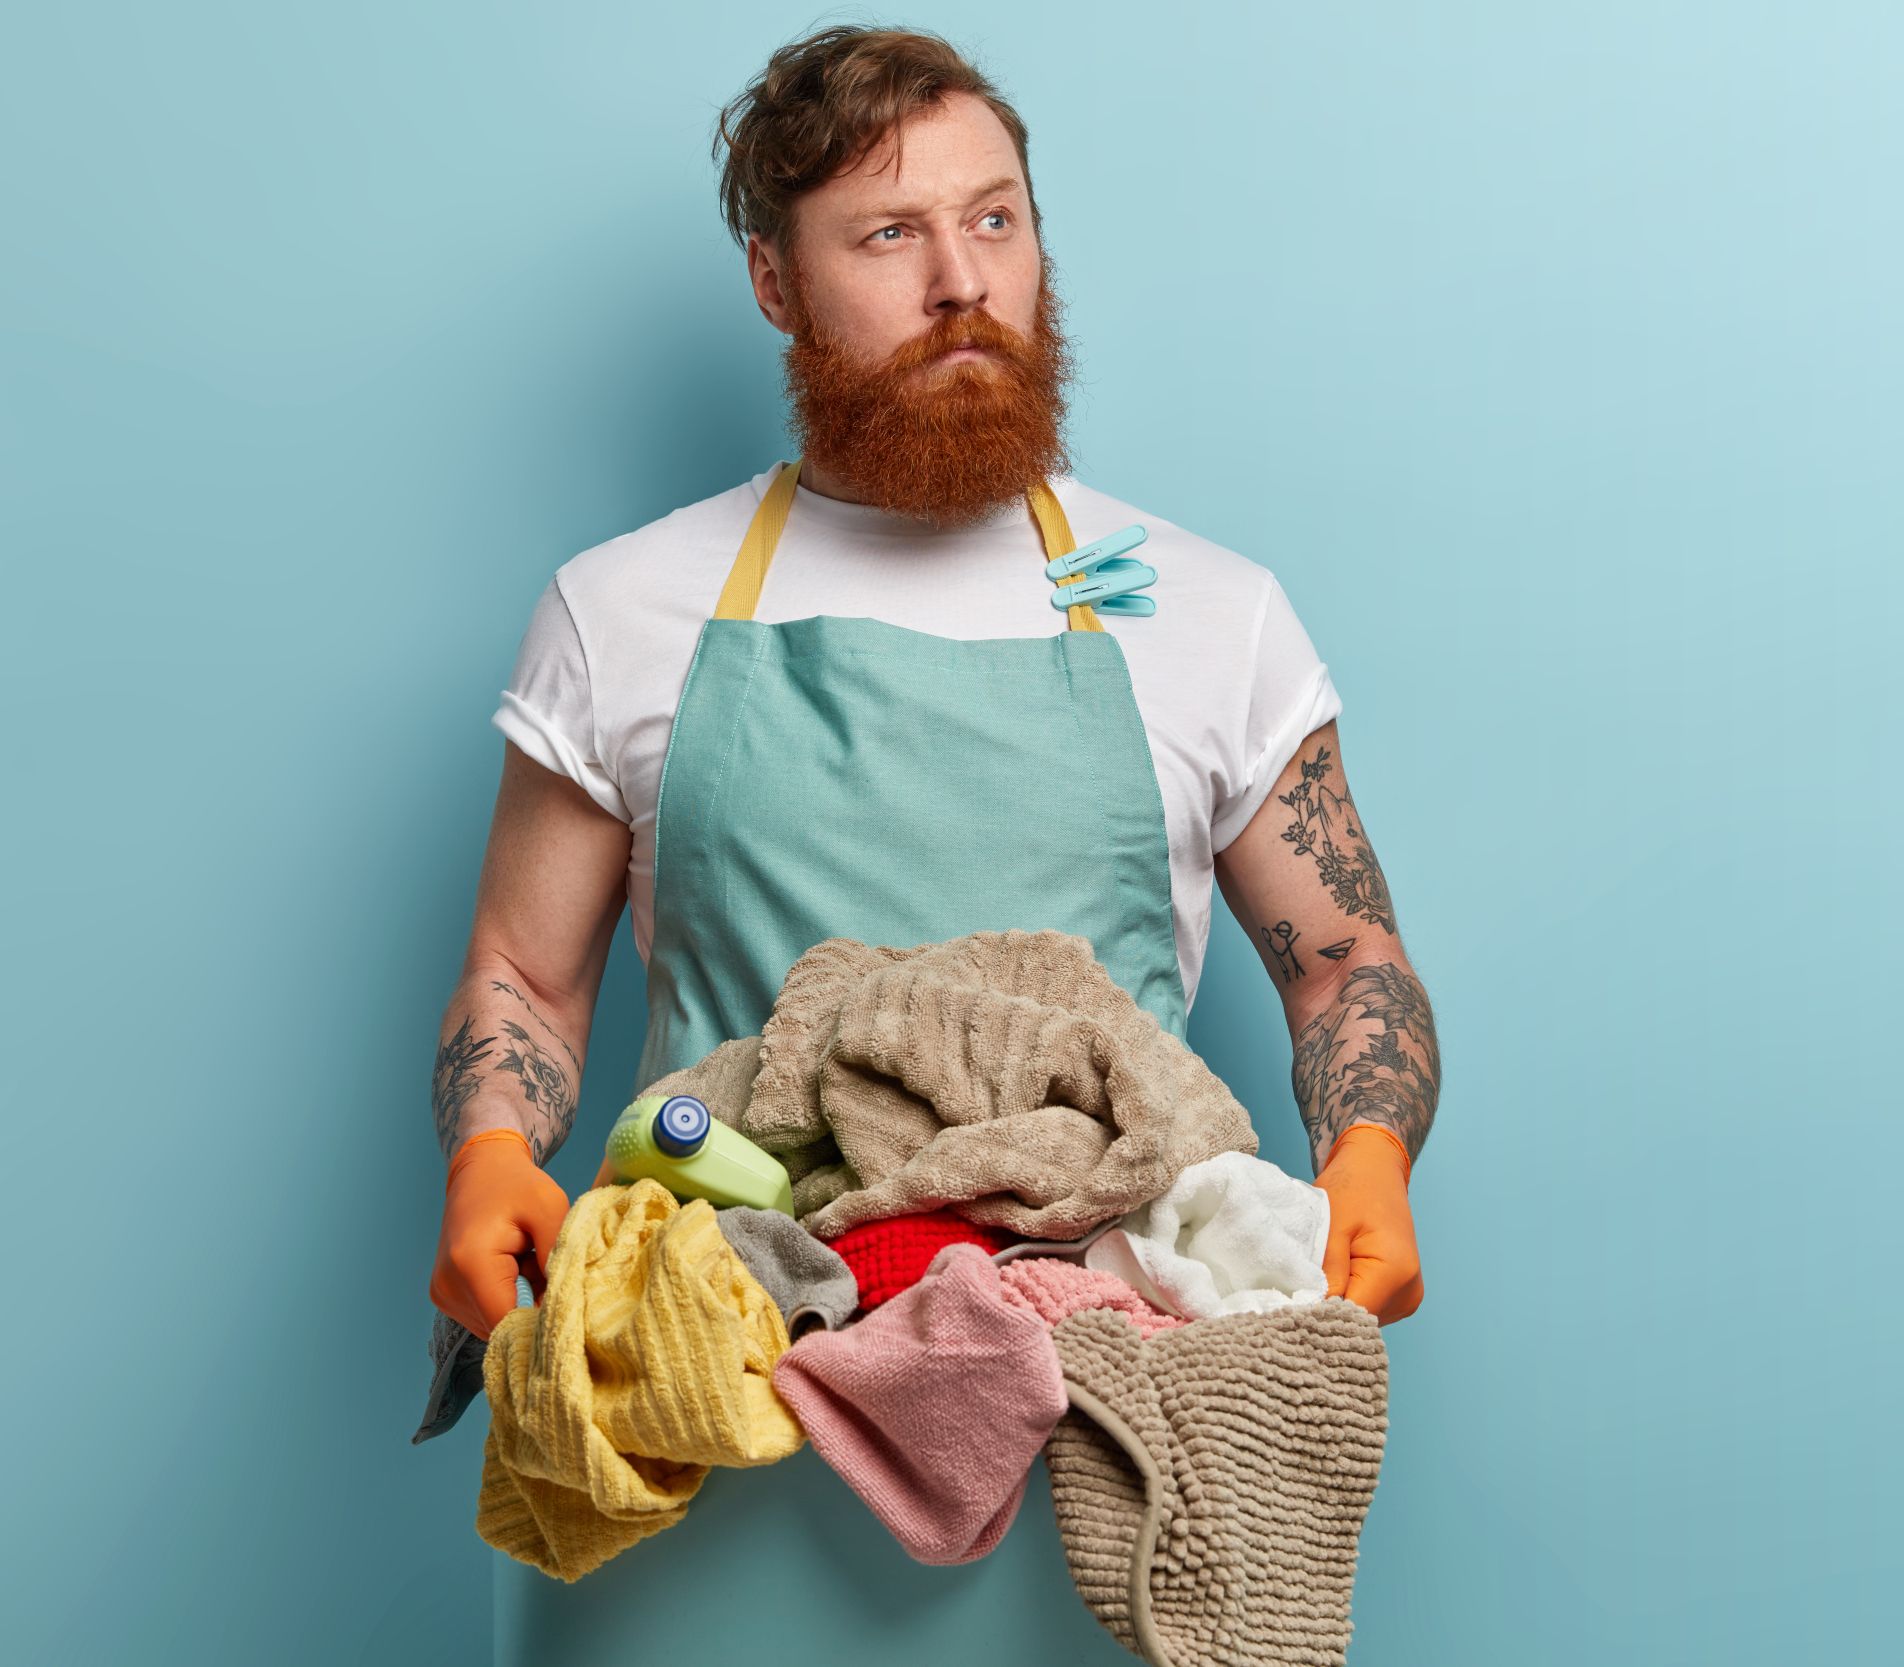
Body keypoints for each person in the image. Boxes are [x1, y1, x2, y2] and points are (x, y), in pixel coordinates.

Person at [419, 24, 1442, 1661]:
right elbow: (527, 982)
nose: (962, 278)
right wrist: (489, 1161)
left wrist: (1370, 1163)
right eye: (888, 234)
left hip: (1104, 1418)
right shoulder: (624, 610)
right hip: (708, 1393)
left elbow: (1342, 965)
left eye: (996, 219)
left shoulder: (1211, 615)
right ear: (773, 281)